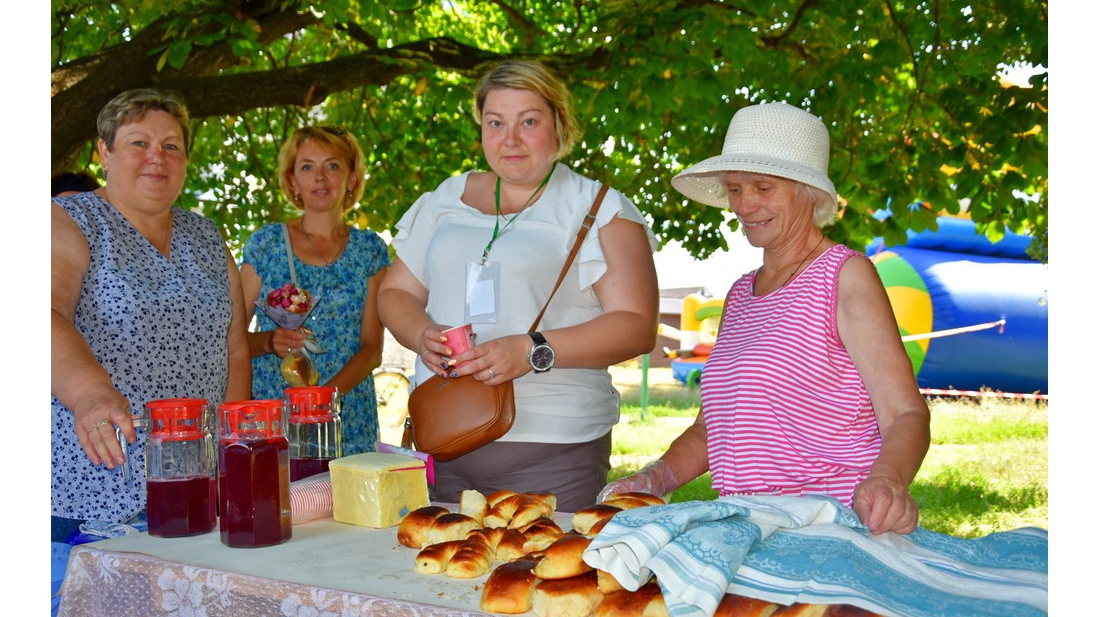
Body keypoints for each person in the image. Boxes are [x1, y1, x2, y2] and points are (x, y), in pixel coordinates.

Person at [601, 102, 930, 535]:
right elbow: (712, 427)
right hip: (748, 527)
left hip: (832, 526)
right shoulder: (741, 293)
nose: (744, 205)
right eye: (735, 189)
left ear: (809, 193)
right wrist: (656, 477)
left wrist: (887, 482)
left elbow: (904, 411)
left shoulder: (844, 275)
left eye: (763, 187)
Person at [378, 59, 660, 512]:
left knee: (539, 578)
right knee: (440, 579)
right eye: (496, 123)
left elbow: (635, 326)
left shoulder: (600, 207)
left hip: (552, 453)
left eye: (528, 121)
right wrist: (420, 336)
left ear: (559, 125)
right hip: (444, 441)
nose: (510, 139)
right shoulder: (444, 200)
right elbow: (396, 294)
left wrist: (531, 350)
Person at [51, 89, 252, 542]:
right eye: (138, 143)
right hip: (92, 493)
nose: (156, 158)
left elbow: (236, 350)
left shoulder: (207, 236)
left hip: (195, 493)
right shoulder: (68, 218)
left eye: (171, 146)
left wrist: (229, 451)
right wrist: (90, 394)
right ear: (104, 152)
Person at [239, 126, 389, 455]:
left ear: (351, 178)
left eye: (333, 165)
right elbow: (230, 340)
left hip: (347, 421)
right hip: (275, 422)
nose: (320, 178)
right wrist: (268, 341)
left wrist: (323, 401)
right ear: (292, 180)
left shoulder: (370, 250)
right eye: (307, 167)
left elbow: (371, 349)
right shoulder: (266, 244)